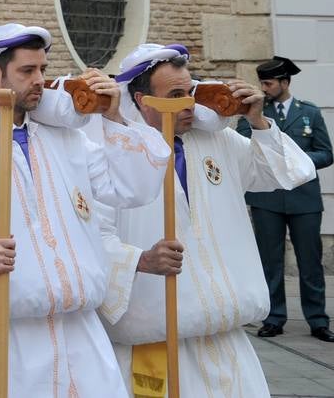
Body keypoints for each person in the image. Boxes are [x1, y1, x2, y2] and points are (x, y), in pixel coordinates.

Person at [0, 23, 171, 398]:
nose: (39, 80)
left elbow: (130, 188)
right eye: (27, 71)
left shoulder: (68, 138)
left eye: (42, 70)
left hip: (81, 342)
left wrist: (114, 118)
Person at [96, 43, 317, 396]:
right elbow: (90, 238)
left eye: (191, 91)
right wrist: (140, 260)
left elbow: (287, 173)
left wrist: (257, 122)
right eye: (176, 95)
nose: (190, 104)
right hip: (157, 343)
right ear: (141, 100)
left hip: (226, 340)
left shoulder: (219, 142)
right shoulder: (110, 154)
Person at [241, 55, 333, 340]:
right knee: (270, 261)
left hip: (304, 200)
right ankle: (273, 317)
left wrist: (296, 160)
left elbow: (326, 153)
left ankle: (318, 320)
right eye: (262, 83)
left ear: (284, 82)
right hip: (267, 199)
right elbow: (243, 147)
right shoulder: (253, 112)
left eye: (269, 83)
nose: (264, 88)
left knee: (310, 262)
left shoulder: (310, 112)